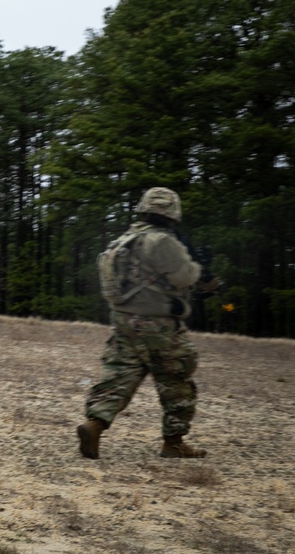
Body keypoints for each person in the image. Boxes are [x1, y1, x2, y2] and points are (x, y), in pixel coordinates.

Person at [78, 187, 220, 460]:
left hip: (124, 322)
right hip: (159, 325)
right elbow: (184, 277)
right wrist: (199, 268)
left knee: (120, 376)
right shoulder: (162, 241)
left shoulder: (123, 240)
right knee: (176, 380)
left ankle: (94, 426)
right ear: (173, 214)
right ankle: (174, 443)